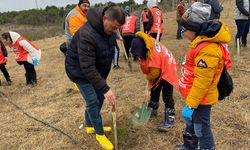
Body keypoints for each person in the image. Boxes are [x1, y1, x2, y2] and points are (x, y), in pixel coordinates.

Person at [65, 6, 125, 150]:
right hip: (79, 71)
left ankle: (90, 125)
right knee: (92, 101)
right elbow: (87, 67)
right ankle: (99, 134)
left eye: (118, 28)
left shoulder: (109, 30)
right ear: (105, 19)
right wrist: (105, 88)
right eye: (114, 27)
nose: (115, 31)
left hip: (95, 71)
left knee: (98, 99)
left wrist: (102, 83)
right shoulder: (87, 34)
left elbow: (108, 53)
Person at [176, 2, 232, 150]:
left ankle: (207, 147)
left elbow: (203, 82)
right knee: (193, 123)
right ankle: (190, 146)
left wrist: (191, 104)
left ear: (194, 29)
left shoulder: (208, 49)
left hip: (202, 98)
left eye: (184, 29)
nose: (182, 32)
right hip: (195, 97)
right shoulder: (199, 42)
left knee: (202, 127)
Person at [131, 31, 179, 131]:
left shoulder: (153, 55)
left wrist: (148, 82)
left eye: (140, 55)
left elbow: (154, 74)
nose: (139, 57)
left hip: (168, 69)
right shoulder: (147, 42)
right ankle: (152, 110)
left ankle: (170, 119)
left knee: (167, 96)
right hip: (159, 66)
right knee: (154, 90)